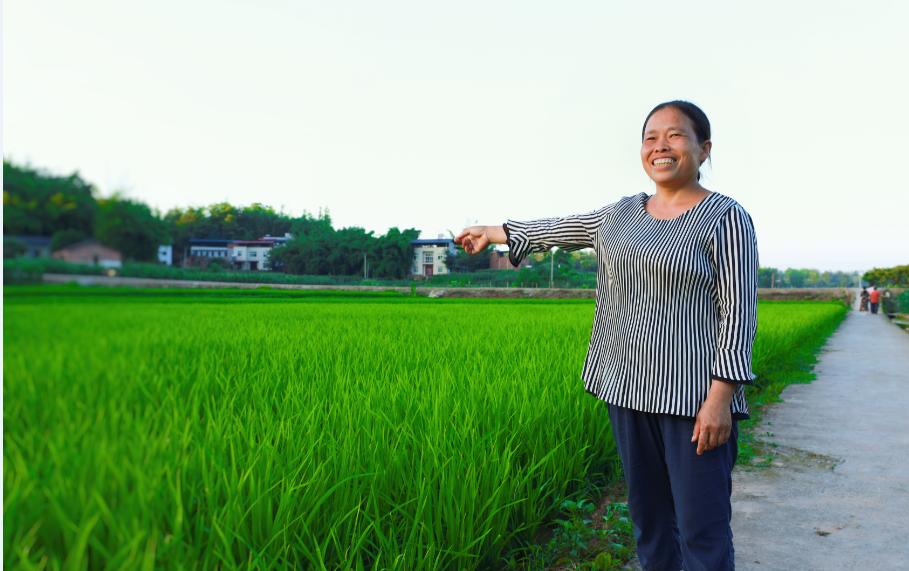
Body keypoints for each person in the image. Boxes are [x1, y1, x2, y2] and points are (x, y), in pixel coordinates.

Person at [456, 100, 757, 571]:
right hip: (628, 390)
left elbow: (739, 312)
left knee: (703, 531)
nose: (660, 145)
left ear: (704, 148)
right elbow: (561, 228)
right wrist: (490, 232)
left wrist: (721, 396)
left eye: (675, 135)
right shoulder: (620, 213)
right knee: (650, 525)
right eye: (650, 136)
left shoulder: (725, 217)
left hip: (693, 402)